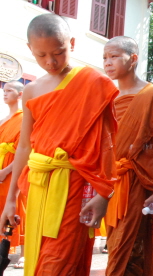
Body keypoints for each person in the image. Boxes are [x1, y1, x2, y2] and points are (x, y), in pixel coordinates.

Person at [0, 14, 118, 276]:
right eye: (41, 55)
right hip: (37, 186)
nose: (50, 62)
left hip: (75, 185)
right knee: (42, 257)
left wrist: (103, 194)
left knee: (59, 264)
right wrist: (11, 199)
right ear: (30, 49)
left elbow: (110, 142)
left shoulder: (94, 83)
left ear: (72, 44)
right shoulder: (31, 91)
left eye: (58, 52)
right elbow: (24, 147)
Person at [102, 36, 153, 276]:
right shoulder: (107, 97)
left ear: (133, 59)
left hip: (138, 183)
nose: (107, 62)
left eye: (113, 56)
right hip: (111, 184)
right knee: (114, 246)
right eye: (104, 58)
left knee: (131, 246)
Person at [0, 80, 26, 268]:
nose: (5, 93)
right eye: (4, 90)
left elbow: (24, 149)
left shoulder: (24, 118)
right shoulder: (3, 120)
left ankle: (24, 252)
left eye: (10, 90)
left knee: (19, 209)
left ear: (20, 95)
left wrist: (6, 171)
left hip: (13, 170)